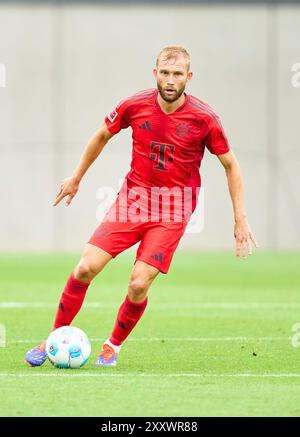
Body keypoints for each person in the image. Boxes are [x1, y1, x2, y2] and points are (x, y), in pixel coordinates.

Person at [25, 45, 258, 367]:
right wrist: (76, 177)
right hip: (133, 199)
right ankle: (54, 337)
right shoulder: (134, 105)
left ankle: (112, 346)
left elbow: (231, 166)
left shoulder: (206, 119)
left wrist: (240, 219)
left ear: (188, 77)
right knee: (84, 267)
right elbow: (101, 136)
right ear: (155, 73)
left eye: (178, 74)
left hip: (174, 208)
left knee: (138, 282)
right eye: (165, 72)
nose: (171, 80)